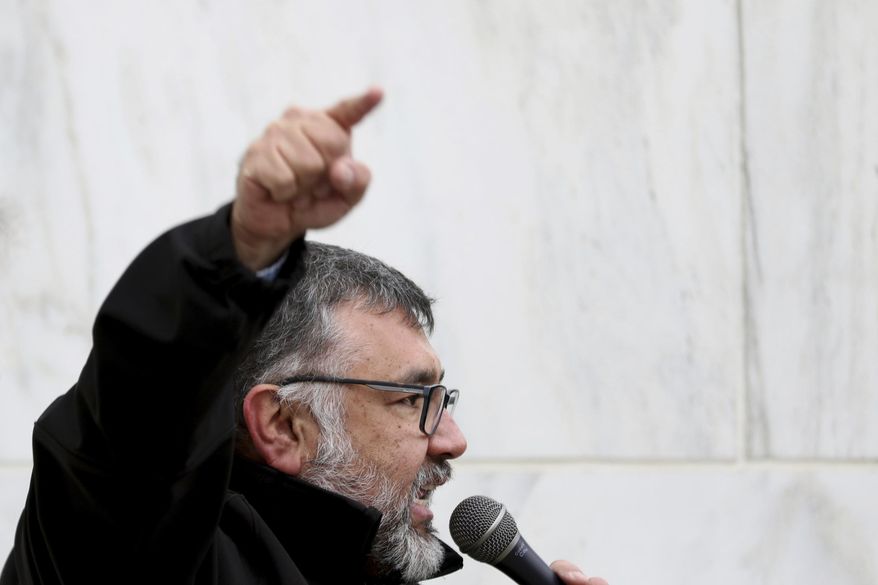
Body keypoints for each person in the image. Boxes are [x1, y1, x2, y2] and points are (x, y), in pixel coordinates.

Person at [2, 88, 606, 585]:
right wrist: (238, 252)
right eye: (412, 399)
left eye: (441, 400)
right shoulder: (148, 559)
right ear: (284, 426)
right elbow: (137, 427)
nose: (452, 440)